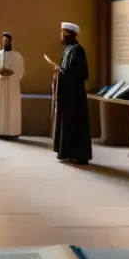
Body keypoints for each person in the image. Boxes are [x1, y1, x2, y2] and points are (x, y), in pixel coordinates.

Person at [48, 21, 92, 165]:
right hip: (67, 95)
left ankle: (78, 154)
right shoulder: (68, 50)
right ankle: (66, 151)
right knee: (67, 123)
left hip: (74, 96)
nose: (61, 36)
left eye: (62, 33)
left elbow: (81, 73)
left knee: (75, 123)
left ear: (68, 34)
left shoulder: (77, 50)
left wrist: (60, 71)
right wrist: (59, 69)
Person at [0, 32, 24, 139]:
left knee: (11, 106)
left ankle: (12, 131)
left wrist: (10, 73)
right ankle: (1, 131)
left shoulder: (17, 56)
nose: (5, 42)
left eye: (7, 40)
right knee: (1, 107)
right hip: (1, 85)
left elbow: (20, 71)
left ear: (10, 41)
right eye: (3, 40)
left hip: (12, 85)